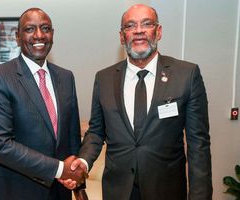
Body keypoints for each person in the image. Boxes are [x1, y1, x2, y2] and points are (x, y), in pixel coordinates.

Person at [70, 4, 212, 200]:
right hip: (118, 191)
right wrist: (84, 161)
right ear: (122, 36)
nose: (138, 31)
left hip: (166, 190)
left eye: (147, 24)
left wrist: (200, 196)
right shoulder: (104, 78)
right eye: (130, 26)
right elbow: (96, 130)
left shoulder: (186, 75)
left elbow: (199, 144)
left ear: (158, 31)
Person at [0, 8, 87, 200]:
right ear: (17, 36)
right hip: (15, 190)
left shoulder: (66, 77)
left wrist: (78, 183)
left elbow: (72, 136)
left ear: (52, 34)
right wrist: (59, 169)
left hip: (59, 190)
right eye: (30, 29)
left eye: (45, 28)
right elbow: (0, 145)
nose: (39, 35)